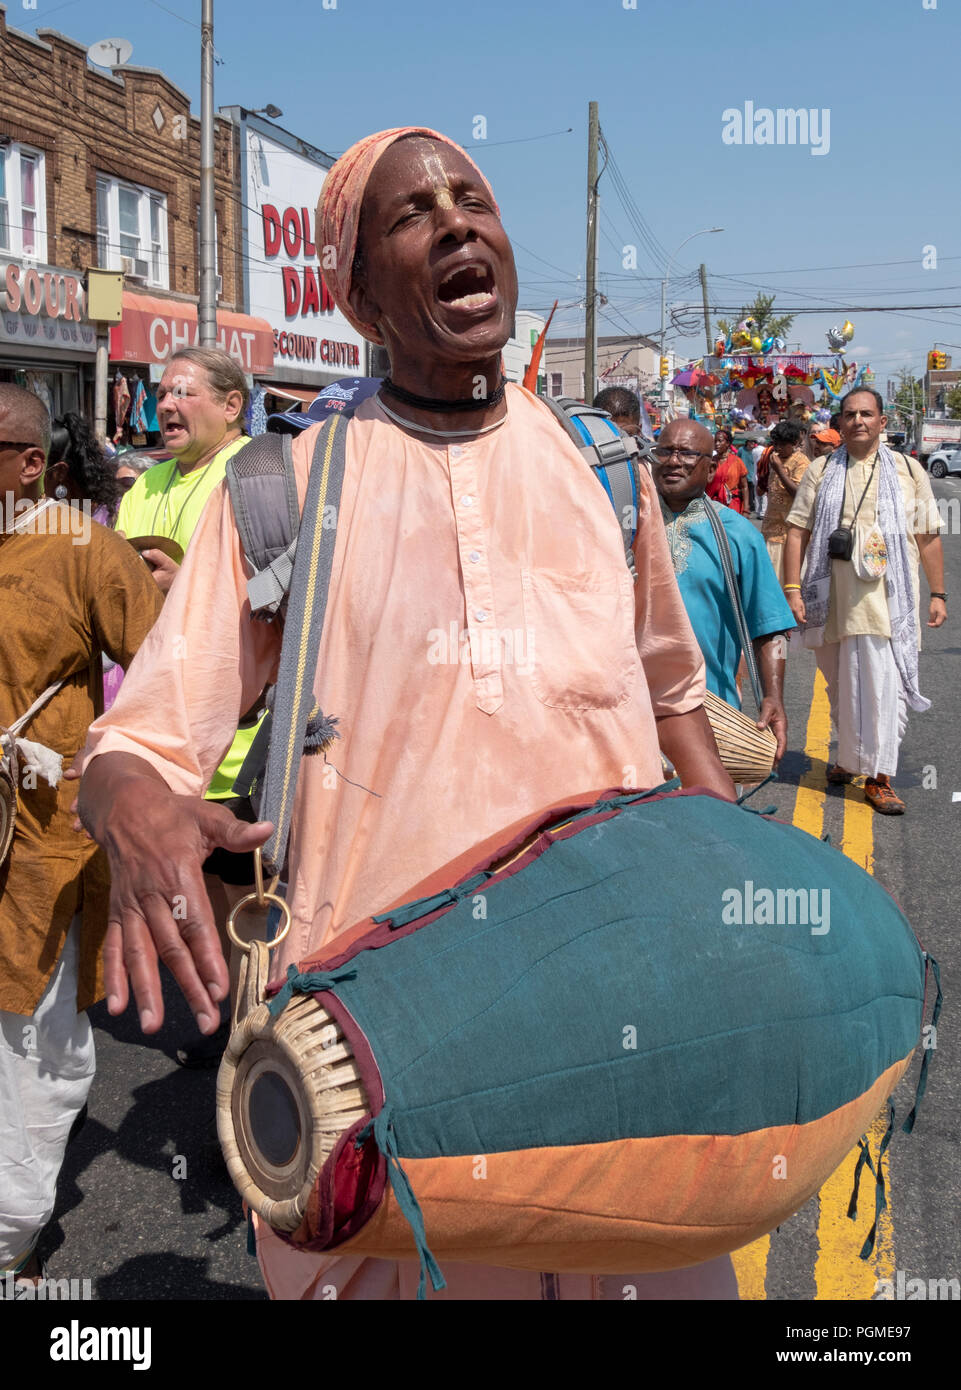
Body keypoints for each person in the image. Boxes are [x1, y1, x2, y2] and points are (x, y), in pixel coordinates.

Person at [78, 125, 737, 1301]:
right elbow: (142, 739)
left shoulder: (603, 468)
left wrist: (734, 901)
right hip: (384, 1063)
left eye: (470, 197)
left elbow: (673, 696)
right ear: (361, 295)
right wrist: (131, 803)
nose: (454, 222)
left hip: (621, 1044)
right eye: (410, 214)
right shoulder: (284, 488)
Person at [0, 384, 162, 1291]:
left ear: (30, 462)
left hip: (43, 845)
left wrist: (106, 774)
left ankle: (9, 1229)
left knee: (33, 1037)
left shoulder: (82, 549)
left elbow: (172, 680)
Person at [114, 346, 259, 1051]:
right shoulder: (145, 485)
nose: (165, 405)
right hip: (161, 719)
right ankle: (215, 1003)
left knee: (242, 883)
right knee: (179, 870)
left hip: (242, 727)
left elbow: (285, 599)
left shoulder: (258, 477)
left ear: (232, 406)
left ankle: (249, 1020)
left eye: (182, 393)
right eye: (161, 393)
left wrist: (192, 590)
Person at [783, 388, 946, 815]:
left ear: (881, 422)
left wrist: (939, 594)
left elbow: (927, 535)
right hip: (832, 601)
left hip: (890, 603)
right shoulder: (821, 470)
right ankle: (850, 759)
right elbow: (797, 530)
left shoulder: (908, 469)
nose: (858, 420)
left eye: (867, 414)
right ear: (840, 422)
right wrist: (792, 590)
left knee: (882, 690)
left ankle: (880, 778)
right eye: (850, 414)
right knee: (840, 688)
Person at [652, 418, 793, 761]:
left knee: (709, 807)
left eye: (686, 453)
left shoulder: (738, 534)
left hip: (711, 711)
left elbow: (769, 627)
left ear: (711, 466)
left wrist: (773, 697)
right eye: (664, 451)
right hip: (632, 712)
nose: (673, 461)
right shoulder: (628, 524)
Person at [760, 419, 811, 587]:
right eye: (776, 444)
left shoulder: (802, 462)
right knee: (769, 581)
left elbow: (799, 494)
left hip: (788, 534)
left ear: (795, 443)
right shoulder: (774, 459)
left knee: (784, 583)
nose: (778, 448)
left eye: (783, 444)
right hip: (770, 530)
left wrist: (781, 471)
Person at [707, 428, 749, 514]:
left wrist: (746, 509)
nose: (717, 444)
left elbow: (744, 487)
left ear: (728, 443)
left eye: (720, 441)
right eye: (715, 441)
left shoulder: (737, 461)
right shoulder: (710, 461)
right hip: (713, 505)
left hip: (732, 505)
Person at [738, 433, 759, 513]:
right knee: (744, 491)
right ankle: (746, 506)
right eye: (751, 442)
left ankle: (750, 506)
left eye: (754, 442)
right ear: (747, 442)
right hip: (743, 474)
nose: (752, 444)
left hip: (752, 474)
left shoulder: (755, 451)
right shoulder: (741, 450)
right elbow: (737, 459)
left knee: (751, 492)